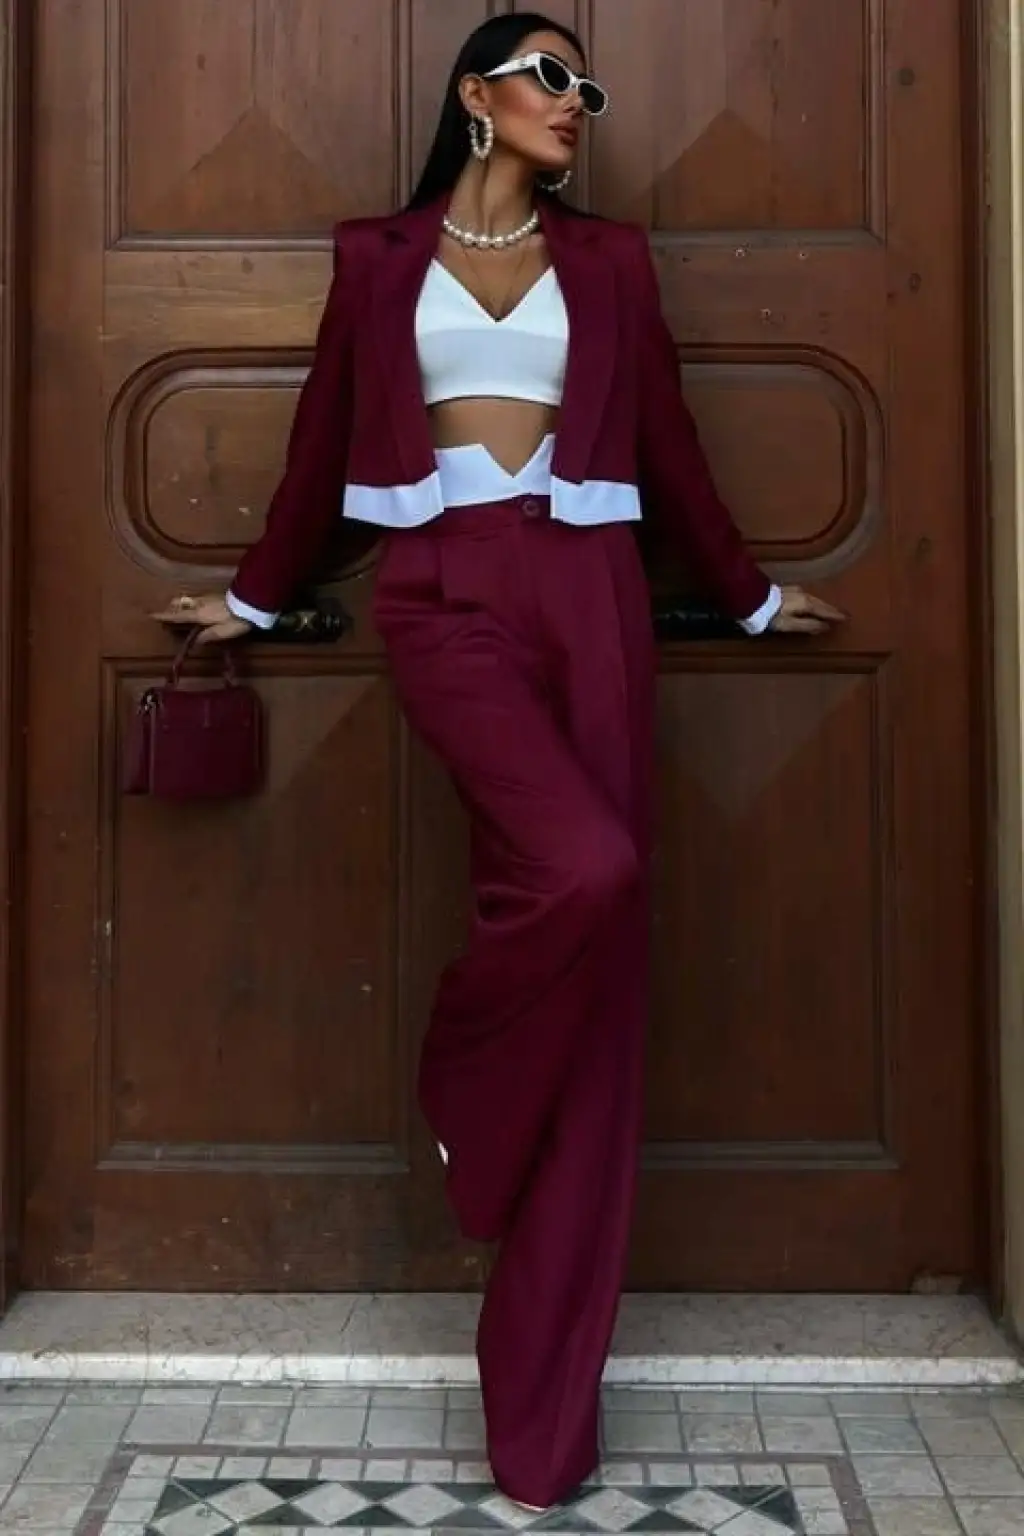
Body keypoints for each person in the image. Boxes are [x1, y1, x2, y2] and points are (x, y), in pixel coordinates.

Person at [154, 11, 845, 1510]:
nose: (574, 100)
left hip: (591, 587)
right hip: (443, 591)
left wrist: (750, 597)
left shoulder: (612, 262)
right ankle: (468, 1086)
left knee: (606, 969)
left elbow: (667, 443)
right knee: (583, 868)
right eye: (549, 75)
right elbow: (322, 438)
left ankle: (544, 1430)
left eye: (585, 85)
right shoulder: (377, 258)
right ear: (476, 93)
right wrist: (255, 598)